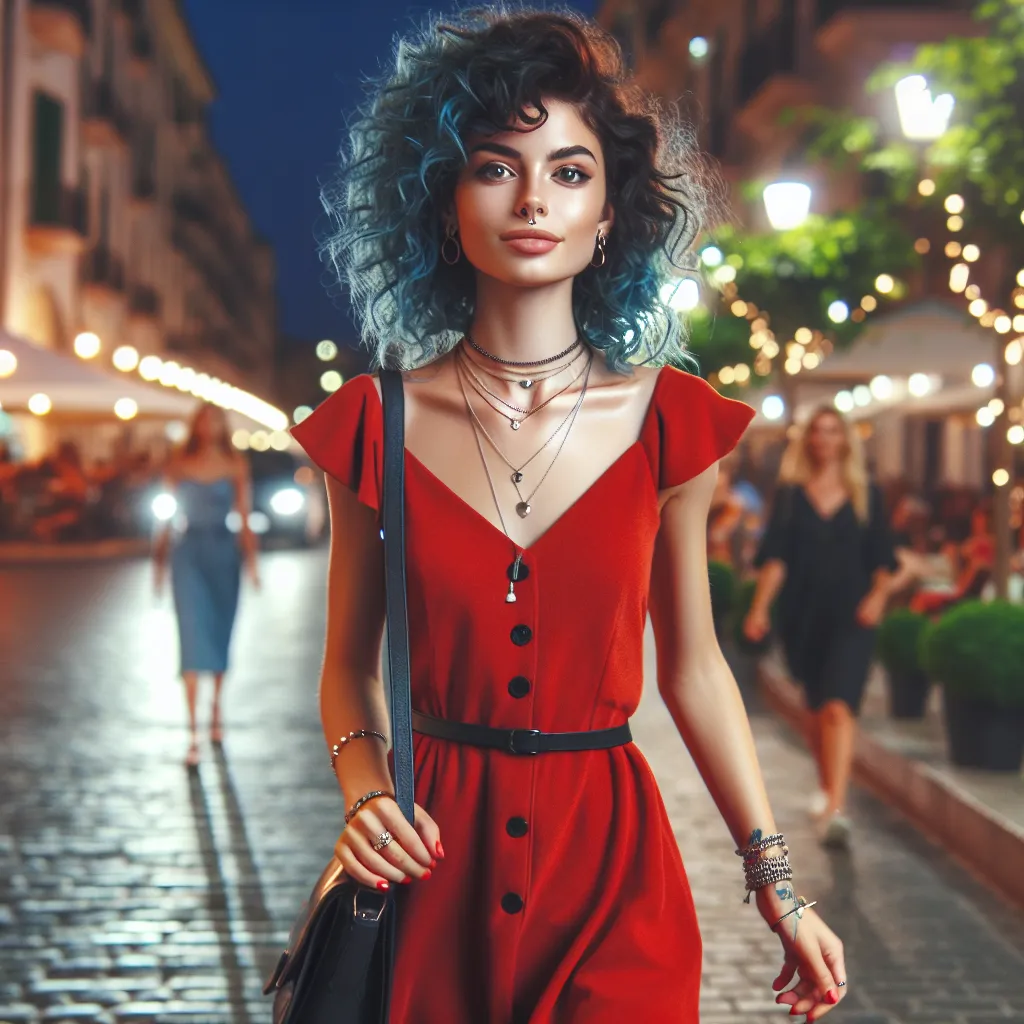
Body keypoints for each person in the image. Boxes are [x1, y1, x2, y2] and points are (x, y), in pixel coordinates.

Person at [292, 10, 847, 1022]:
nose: (534, 198)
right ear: (442, 199)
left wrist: (776, 881)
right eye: (496, 167)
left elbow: (692, 665)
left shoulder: (674, 421)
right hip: (428, 873)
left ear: (610, 215)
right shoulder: (374, 420)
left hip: (612, 874)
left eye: (570, 171)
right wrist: (365, 791)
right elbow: (343, 665)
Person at [743, 406, 897, 848]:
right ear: (808, 439)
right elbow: (776, 559)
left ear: (845, 440)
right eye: (817, 432)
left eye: (833, 432)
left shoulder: (867, 493)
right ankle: (827, 784)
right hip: (803, 615)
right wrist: (758, 610)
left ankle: (836, 807)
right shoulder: (791, 495)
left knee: (838, 707)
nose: (824, 439)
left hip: (853, 615)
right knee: (814, 708)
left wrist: (877, 597)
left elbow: (884, 559)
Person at [154, 405, 259, 767]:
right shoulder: (179, 463)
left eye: (214, 420)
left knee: (218, 631)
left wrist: (253, 563)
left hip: (223, 554)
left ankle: (216, 705)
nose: (208, 426)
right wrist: (158, 560)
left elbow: (244, 517)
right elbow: (166, 515)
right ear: (195, 424)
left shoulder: (236, 464)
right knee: (191, 634)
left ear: (221, 426)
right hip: (189, 554)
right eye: (203, 419)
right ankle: (193, 731)